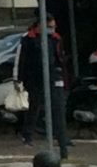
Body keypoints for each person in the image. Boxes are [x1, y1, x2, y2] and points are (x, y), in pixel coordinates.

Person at [14, 18, 69, 157]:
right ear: (39, 26)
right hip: (34, 79)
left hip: (53, 76)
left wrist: (62, 75)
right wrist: (18, 78)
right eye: (50, 27)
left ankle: (62, 138)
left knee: (58, 106)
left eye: (54, 27)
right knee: (34, 106)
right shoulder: (28, 39)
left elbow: (60, 57)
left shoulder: (55, 38)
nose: (52, 29)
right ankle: (27, 135)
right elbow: (21, 59)